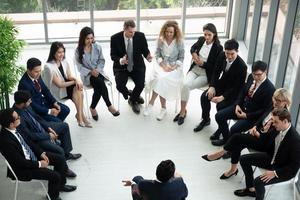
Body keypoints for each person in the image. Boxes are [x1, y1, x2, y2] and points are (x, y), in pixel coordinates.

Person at [202, 88, 291, 180]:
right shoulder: (273, 106)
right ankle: (232, 169)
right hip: (258, 132)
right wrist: (255, 127)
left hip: (264, 143)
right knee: (238, 142)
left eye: (279, 101)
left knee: (237, 138)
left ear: (286, 103)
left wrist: (258, 134)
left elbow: (271, 139)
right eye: (274, 99)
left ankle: (220, 154)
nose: (275, 102)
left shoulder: (283, 118)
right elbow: (262, 118)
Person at [0, 108, 77, 200]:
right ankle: (53, 197)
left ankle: (60, 186)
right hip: (23, 168)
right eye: (17, 118)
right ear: (11, 124)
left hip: (32, 157)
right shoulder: (5, 141)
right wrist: (40, 164)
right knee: (55, 176)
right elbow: (20, 162)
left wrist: (41, 153)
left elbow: (30, 142)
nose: (20, 118)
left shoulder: (17, 127)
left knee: (60, 159)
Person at [234, 108, 300, 200]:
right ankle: (251, 189)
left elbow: (293, 168)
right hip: (272, 158)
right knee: (243, 159)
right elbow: (264, 142)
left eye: (276, 122)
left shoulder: (296, 140)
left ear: (285, 121)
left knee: (258, 181)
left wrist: (275, 173)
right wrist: (264, 130)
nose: (273, 124)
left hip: (283, 169)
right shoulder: (278, 128)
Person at [211, 60, 276, 146]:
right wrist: (237, 104)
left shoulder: (270, 89)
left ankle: (230, 148)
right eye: (254, 74)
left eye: (259, 75)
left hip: (252, 116)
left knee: (234, 129)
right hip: (242, 107)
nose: (256, 77)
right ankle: (226, 140)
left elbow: (264, 110)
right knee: (219, 116)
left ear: (265, 72)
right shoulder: (251, 77)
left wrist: (246, 116)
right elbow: (243, 91)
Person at [173, 23, 223, 125]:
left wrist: (203, 64)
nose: (206, 37)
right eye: (205, 34)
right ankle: (183, 111)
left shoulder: (218, 48)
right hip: (195, 69)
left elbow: (216, 68)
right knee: (185, 85)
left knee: (186, 86)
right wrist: (194, 53)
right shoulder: (201, 40)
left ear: (214, 34)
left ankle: (182, 112)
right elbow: (192, 47)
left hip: (205, 74)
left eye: (209, 35)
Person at [193, 39, 247, 132]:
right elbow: (216, 71)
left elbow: (237, 87)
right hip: (222, 84)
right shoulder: (222, 55)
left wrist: (222, 97)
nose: (229, 56)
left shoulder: (242, 66)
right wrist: (212, 86)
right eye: (227, 53)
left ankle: (220, 129)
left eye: (232, 54)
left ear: (237, 52)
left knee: (221, 106)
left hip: (232, 91)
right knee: (204, 97)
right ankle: (206, 120)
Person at [13, 90, 81, 162]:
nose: (31, 102)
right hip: (38, 138)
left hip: (42, 127)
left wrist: (48, 128)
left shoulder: (26, 106)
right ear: (22, 103)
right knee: (59, 150)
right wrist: (48, 135)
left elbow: (37, 117)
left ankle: (66, 154)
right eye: (29, 101)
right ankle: (63, 168)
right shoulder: (17, 117)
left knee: (64, 126)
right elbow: (30, 136)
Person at [43, 41, 92, 127]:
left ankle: (80, 116)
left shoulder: (64, 61)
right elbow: (60, 85)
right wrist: (75, 81)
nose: (61, 54)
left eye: (63, 52)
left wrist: (76, 79)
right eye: (59, 52)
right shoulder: (48, 66)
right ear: (53, 52)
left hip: (66, 88)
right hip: (57, 91)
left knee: (78, 89)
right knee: (77, 87)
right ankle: (81, 117)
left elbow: (69, 76)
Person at [143, 20, 185, 121]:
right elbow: (157, 55)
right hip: (161, 65)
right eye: (167, 32)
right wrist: (163, 65)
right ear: (164, 31)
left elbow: (181, 57)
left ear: (175, 32)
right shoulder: (160, 40)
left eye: (171, 32)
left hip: (175, 68)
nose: (169, 34)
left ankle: (152, 104)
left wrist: (173, 67)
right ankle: (163, 108)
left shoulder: (179, 42)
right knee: (160, 78)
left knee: (162, 79)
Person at [75, 27, 119, 121]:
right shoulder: (78, 50)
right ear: (82, 38)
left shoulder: (97, 46)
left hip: (99, 72)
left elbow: (102, 60)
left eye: (91, 38)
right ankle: (109, 105)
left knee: (98, 86)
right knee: (99, 82)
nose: (90, 40)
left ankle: (92, 108)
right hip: (87, 75)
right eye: (87, 38)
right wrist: (91, 71)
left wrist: (97, 70)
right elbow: (79, 67)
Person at [110, 20, 152, 114]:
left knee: (141, 84)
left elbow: (145, 50)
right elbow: (113, 55)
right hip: (121, 67)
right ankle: (133, 94)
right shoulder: (115, 38)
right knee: (120, 86)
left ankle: (133, 100)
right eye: (130, 32)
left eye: (134, 31)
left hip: (137, 65)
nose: (133, 34)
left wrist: (148, 56)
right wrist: (121, 60)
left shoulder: (140, 36)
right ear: (124, 29)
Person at [18, 57, 70, 122]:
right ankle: (55, 125)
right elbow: (32, 105)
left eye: (40, 70)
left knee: (65, 110)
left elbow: (45, 91)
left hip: (44, 103)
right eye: (36, 71)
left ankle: (55, 126)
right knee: (58, 121)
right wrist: (49, 111)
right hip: (37, 111)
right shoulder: (24, 84)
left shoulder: (37, 75)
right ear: (28, 70)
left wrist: (54, 102)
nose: (39, 73)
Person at [122, 159, 188, 200]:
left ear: (156, 172)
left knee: (136, 183)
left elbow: (138, 181)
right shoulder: (179, 183)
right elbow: (185, 194)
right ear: (171, 176)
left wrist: (132, 183)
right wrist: (179, 178)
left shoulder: (145, 184)